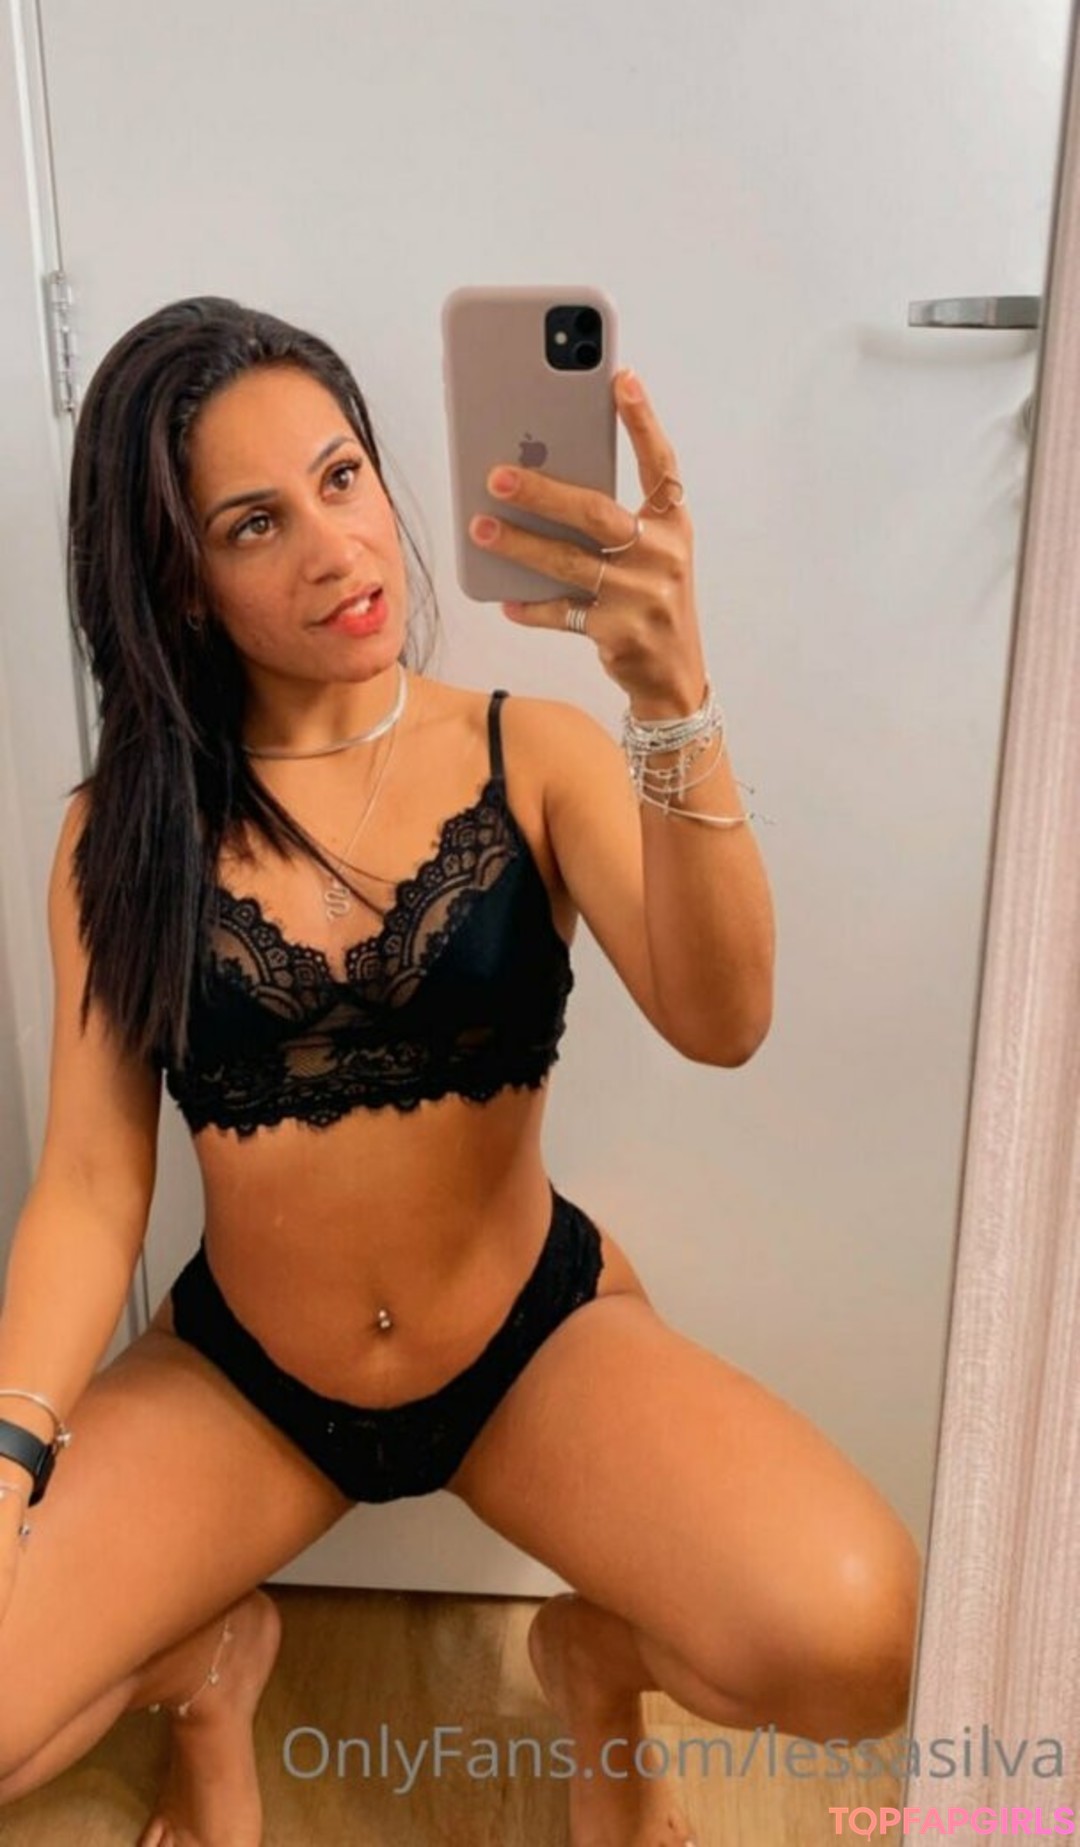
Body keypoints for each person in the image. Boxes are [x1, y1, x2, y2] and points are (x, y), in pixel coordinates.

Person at [0, 296, 919, 1847]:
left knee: (858, 1643)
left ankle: (595, 1661)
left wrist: (673, 700)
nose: (338, 549)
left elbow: (726, 1020)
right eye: (255, 523)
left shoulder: (533, 752)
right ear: (178, 579)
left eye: (342, 477)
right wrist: (10, 1451)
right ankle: (211, 1670)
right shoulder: (123, 833)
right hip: (247, 1379)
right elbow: (91, 1188)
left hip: (527, 1348)